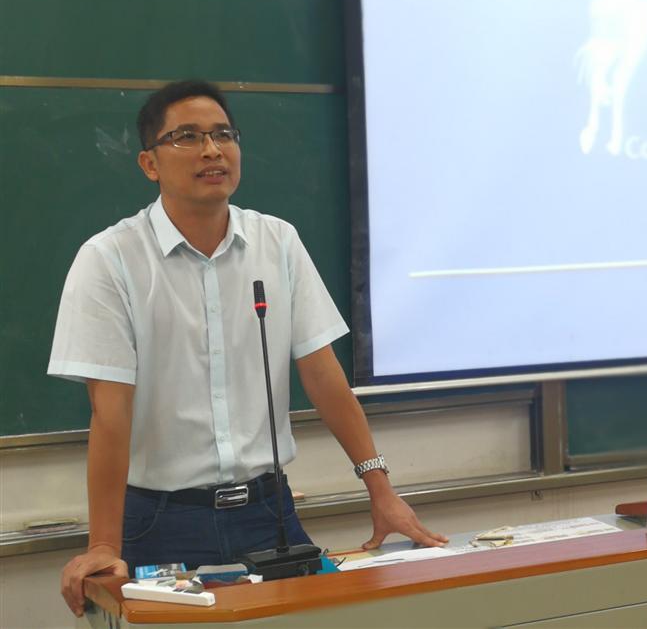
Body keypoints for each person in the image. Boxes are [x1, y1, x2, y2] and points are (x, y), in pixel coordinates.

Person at [49, 80, 447, 617]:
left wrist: (380, 489)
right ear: (149, 163)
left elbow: (324, 376)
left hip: (268, 511)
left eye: (224, 135)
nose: (212, 150)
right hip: (160, 520)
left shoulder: (277, 241)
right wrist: (103, 543)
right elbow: (109, 411)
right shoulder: (110, 259)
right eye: (187, 137)